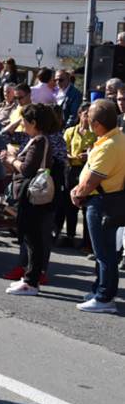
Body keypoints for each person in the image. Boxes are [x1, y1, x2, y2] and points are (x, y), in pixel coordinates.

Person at [70, 99, 125, 313]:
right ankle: (99, 291)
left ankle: (104, 297)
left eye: (90, 118)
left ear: (98, 124)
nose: (87, 120)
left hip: (102, 202)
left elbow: (91, 181)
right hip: (108, 201)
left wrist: (77, 193)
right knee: (105, 251)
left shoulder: (109, 146)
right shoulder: (116, 138)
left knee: (104, 253)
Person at [2, 104, 58, 296]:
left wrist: (11, 159)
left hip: (33, 196)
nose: (23, 126)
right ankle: (28, 277)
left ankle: (31, 281)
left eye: (25, 122)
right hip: (31, 195)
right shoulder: (37, 140)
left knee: (33, 239)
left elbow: (27, 169)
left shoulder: (40, 141)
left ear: (33, 123)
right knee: (30, 237)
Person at [56, 103, 95, 248]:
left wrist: (88, 155)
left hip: (86, 170)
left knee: (86, 205)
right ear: (79, 114)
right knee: (69, 204)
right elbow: (62, 149)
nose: (88, 118)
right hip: (71, 169)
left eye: (90, 115)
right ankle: (70, 236)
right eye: (86, 114)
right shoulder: (70, 131)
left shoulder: (95, 133)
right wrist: (70, 156)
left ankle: (87, 241)